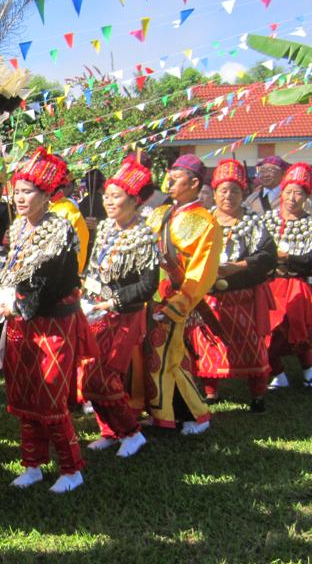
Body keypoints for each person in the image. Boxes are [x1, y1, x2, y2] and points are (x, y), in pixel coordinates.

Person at [0, 148, 91, 492]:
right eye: (17, 191)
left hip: (51, 323)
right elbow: (9, 270)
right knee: (23, 395)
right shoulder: (19, 227)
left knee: (49, 396)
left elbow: (53, 282)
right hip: (22, 322)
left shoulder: (60, 230)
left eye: (28, 191)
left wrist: (18, 304)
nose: (20, 198)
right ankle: (33, 464)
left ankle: (71, 469)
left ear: (47, 194)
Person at [80, 159, 159, 458]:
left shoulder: (144, 236)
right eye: (107, 196)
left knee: (105, 374)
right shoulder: (104, 229)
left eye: (116, 196)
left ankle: (131, 432)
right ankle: (109, 431)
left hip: (125, 315)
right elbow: (94, 268)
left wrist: (113, 301)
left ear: (134, 200)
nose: (109, 201)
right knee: (88, 373)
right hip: (96, 310)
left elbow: (147, 285)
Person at [186, 159, 276, 412]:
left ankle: (258, 395)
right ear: (214, 193)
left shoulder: (253, 222)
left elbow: (267, 255)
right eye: (223, 190)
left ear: (243, 193)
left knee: (251, 344)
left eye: (235, 190)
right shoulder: (202, 221)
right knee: (207, 344)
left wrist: (238, 267)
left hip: (243, 296)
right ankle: (211, 392)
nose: (228, 196)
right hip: (210, 296)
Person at [143, 154, 221, 435]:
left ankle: (193, 416)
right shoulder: (158, 214)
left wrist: (180, 302)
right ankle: (162, 413)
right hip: (149, 296)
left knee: (167, 358)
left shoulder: (205, 222)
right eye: (170, 173)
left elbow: (202, 272)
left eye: (178, 175)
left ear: (195, 182)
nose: (170, 178)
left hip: (175, 299)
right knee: (156, 356)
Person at [264, 162, 312, 390]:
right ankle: (278, 373)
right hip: (268, 284)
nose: (291, 198)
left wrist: (285, 258)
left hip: (295, 284)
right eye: (288, 191)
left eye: (298, 193)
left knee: (297, 329)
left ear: (306, 196)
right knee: (264, 331)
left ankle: (310, 370)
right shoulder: (266, 220)